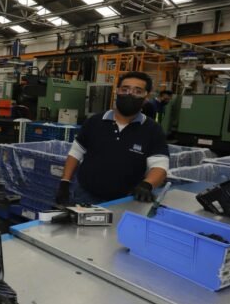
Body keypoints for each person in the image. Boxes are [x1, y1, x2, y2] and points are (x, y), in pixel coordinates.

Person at [56, 71, 169, 206]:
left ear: (146, 97)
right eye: (125, 89)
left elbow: (159, 165)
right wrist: (65, 182)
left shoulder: (153, 130)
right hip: (85, 196)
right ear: (117, 92)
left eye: (137, 91)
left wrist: (147, 184)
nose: (129, 94)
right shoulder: (95, 122)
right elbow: (76, 152)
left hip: (126, 201)